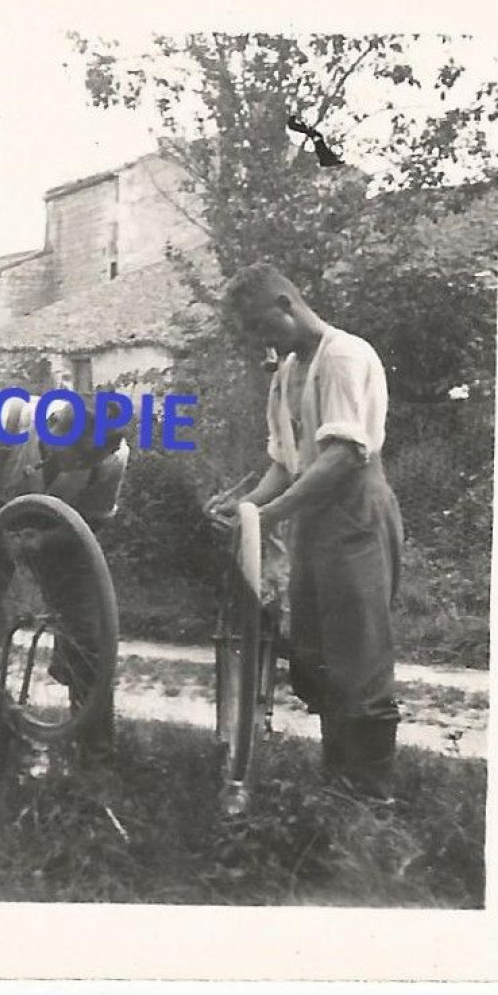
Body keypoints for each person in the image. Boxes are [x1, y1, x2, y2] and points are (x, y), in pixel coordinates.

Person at [207, 262, 404, 802]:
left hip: (356, 513)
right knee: (317, 658)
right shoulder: (287, 374)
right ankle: (338, 785)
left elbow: (342, 456)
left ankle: (371, 800)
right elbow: (287, 465)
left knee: (359, 659)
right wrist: (244, 508)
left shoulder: (344, 355)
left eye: (264, 329)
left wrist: (272, 515)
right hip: (312, 524)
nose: (264, 345)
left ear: (285, 305)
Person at [0, 393, 129, 746]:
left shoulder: (112, 458)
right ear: (54, 426)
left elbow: (93, 521)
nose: (80, 464)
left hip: (61, 526)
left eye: (90, 459)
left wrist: (45, 541)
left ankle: (93, 751)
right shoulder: (4, 421)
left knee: (90, 634)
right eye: (76, 452)